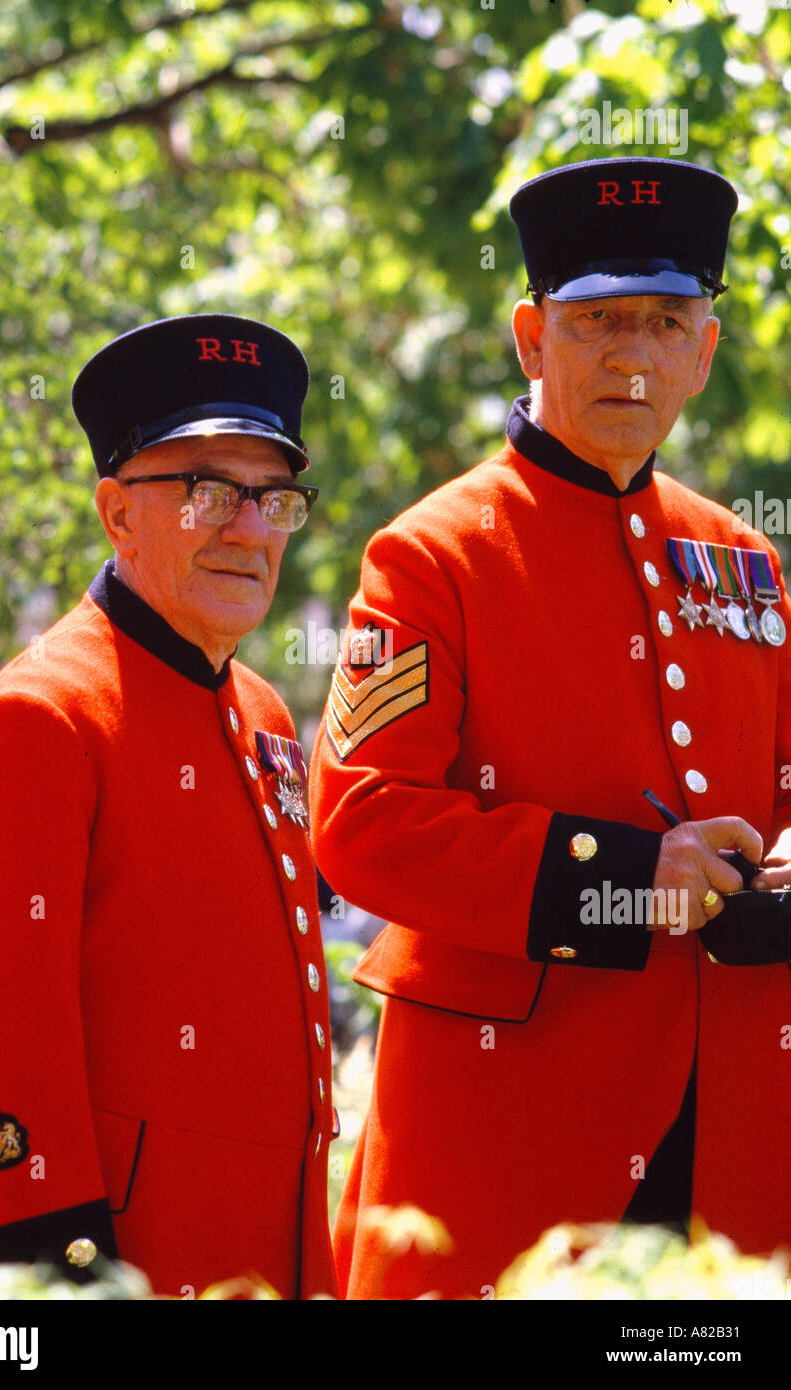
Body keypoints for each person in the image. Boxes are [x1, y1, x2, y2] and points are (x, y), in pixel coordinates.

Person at [309, 158, 791, 1299]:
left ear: (705, 352)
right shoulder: (428, 554)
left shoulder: (747, 558)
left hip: (733, 1129)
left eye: (667, 322)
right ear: (531, 338)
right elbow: (360, 822)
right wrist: (627, 876)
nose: (633, 355)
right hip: (511, 1132)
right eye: (598, 322)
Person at [0, 313, 337, 1299]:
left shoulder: (261, 707)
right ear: (116, 511)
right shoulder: (41, 716)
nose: (247, 526)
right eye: (205, 490)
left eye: (273, 497)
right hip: (102, 1270)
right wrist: (59, 1284)